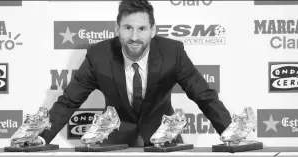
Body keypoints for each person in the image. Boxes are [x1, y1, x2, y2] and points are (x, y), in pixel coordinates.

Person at [31, 0, 232, 147]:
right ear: (117, 29)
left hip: (163, 141)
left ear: (153, 30)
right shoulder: (98, 56)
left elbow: (204, 96)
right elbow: (69, 101)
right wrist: (41, 137)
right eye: (128, 28)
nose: (134, 37)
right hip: (114, 142)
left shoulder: (173, 53)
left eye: (142, 29)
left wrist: (230, 133)